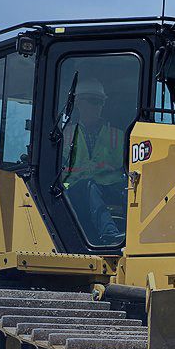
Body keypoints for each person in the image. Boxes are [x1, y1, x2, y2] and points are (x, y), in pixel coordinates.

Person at [62, 76, 127, 245]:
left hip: (110, 187)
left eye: (100, 102)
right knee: (90, 186)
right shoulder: (65, 135)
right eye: (92, 101)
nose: (97, 107)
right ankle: (109, 233)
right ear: (78, 104)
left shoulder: (117, 136)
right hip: (75, 190)